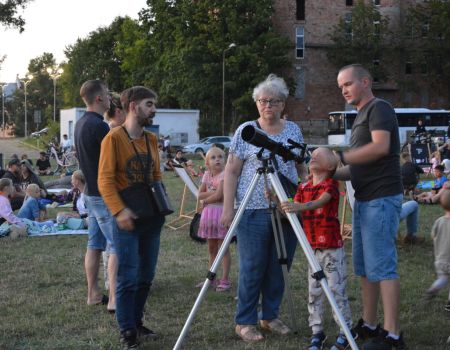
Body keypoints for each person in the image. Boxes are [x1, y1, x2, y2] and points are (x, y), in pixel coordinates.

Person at [221, 74, 307, 343]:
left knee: (280, 266)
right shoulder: (246, 130)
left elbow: (301, 167)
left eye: (274, 101)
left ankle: (270, 315)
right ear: (256, 103)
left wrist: (306, 198)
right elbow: (232, 171)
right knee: (252, 266)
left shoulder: (293, 130)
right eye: (262, 101)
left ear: (283, 104)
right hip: (252, 209)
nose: (267, 105)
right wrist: (228, 208)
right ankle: (244, 321)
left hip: (286, 208)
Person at [335, 64, 406, 349]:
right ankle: (370, 323)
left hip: (381, 198)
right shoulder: (359, 117)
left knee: (383, 266)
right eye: (341, 87)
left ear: (365, 81)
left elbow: (379, 147)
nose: (344, 90)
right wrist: (324, 173)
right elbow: (356, 168)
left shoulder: (379, 108)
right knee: (365, 268)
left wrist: (339, 157)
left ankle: (393, 335)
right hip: (364, 199)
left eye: (348, 84)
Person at [98, 86, 164, 349]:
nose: (154, 109)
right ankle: (127, 332)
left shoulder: (151, 140)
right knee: (128, 276)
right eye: (149, 104)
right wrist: (119, 210)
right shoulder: (113, 139)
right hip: (126, 218)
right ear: (133, 106)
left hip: (151, 217)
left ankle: (136, 323)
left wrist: (162, 206)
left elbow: (156, 175)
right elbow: (105, 180)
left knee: (146, 275)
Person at [280, 147, 353, 350]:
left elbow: (321, 202)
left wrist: (299, 207)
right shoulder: (303, 188)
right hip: (312, 249)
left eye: (319, 154)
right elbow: (291, 210)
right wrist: (278, 202)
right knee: (314, 292)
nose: (313, 155)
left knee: (336, 290)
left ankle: (346, 331)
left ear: (330, 165)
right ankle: (317, 332)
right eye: (312, 154)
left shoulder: (331, 184)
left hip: (331, 248)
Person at [74, 79, 117, 313]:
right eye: (107, 94)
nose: (110, 98)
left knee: (94, 244)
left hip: (90, 193)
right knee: (117, 244)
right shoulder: (100, 126)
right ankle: (114, 299)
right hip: (103, 194)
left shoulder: (80, 123)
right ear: (99, 98)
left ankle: (93, 294)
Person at [196, 147, 231, 292]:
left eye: (220, 157)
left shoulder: (225, 175)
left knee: (223, 249)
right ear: (207, 163)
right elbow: (199, 194)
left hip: (221, 213)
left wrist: (206, 199)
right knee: (212, 248)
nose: (217, 159)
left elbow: (220, 196)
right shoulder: (206, 175)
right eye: (213, 157)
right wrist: (210, 194)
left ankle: (225, 280)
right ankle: (211, 278)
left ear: (225, 160)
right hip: (208, 216)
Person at [424, 189, 450, 311]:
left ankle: (433, 288)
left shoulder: (439, 221)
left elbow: (433, 236)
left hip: (440, 260)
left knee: (443, 278)